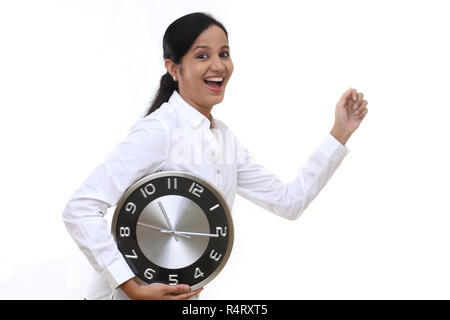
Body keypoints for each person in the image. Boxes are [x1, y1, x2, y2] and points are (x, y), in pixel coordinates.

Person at [62, 12, 368, 300]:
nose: (218, 66)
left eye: (224, 53)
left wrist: (339, 133)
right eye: (202, 55)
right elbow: (81, 208)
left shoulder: (224, 140)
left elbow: (288, 202)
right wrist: (131, 287)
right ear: (173, 68)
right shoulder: (159, 131)